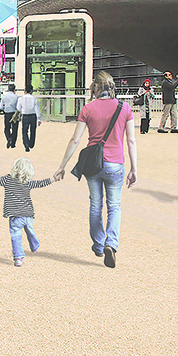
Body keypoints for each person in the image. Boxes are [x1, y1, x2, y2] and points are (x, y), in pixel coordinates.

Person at [57, 71, 137, 267]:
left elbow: (75, 139)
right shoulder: (125, 108)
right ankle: (111, 243)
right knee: (114, 206)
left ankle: (99, 244)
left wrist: (62, 166)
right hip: (115, 164)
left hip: (93, 164)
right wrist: (134, 169)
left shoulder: (87, 109)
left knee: (95, 206)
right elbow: (131, 141)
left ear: (96, 88)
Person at [0, 158, 60, 266]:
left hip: (15, 216)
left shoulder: (7, 179)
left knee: (16, 236)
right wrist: (53, 179)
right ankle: (35, 246)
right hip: (28, 214)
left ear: (15, 168)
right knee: (30, 229)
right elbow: (41, 183)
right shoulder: (28, 182)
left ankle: (18, 257)